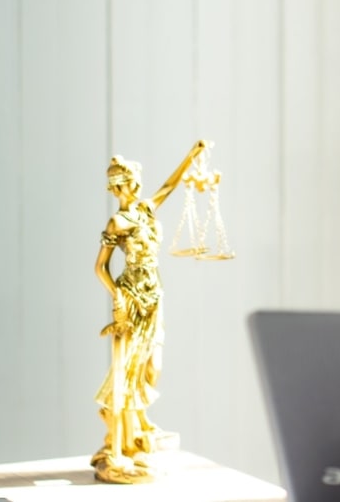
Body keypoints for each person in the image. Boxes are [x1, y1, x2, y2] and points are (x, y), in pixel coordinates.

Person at [91, 141, 206, 483]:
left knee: (152, 367)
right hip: (132, 297)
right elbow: (100, 267)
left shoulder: (145, 210)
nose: (132, 187)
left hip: (155, 295)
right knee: (128, 367)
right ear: (118, 187)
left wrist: (191, 157)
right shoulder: (117, 222)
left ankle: (139, 425)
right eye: (126, 183)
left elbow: (169, 187)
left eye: (133, 182)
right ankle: (122, 442)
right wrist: (117, 297)